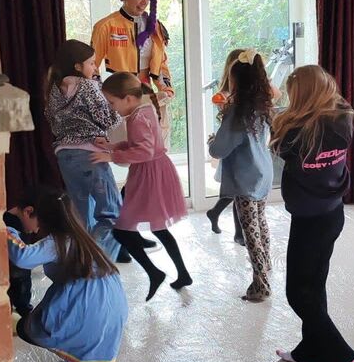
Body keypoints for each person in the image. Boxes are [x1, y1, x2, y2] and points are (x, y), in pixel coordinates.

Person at [271, 65, 354, 362]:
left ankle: (339, 355)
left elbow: (278, 144)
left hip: (309, 220)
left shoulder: (294, 133)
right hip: (332, 213)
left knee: (297, 292)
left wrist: (273, 109)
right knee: (314, 286)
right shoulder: (344, 118)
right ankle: (308, 351)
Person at [7, 187, 129, 362]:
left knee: (27, 328)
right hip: (112, 309)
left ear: (29, 211)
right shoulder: (82, 237)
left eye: (22, 217)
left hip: (87, 307)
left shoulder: (58, 241)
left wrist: (7, 228)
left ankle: (79, 352)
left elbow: (23, 257)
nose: (29, 229)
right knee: (73, 310)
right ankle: (85, 361)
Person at [95, 73, 192, 301]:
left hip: (149, 174)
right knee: (158, 227)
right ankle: (181, 274)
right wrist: (112, 146)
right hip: (154, 170)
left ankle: (155, 272)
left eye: (112, 103)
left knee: (122, 230)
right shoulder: (145, 110)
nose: (111, 108)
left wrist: (112, 156)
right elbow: (138, 144)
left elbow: (144, 150)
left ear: (128, 99)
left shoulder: (137, 118)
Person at [208, 49, 274, 301]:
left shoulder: (237, 112)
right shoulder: (261, 106)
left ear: (237, 81)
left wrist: (212, 141)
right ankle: (266, 265)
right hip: (263, 172)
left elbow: (219, 149)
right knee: (260, 222)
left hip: (246, 178)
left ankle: (261, 284)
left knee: (250, 231)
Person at [90, 0, 174, 144]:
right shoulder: (106, 26)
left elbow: (161, 63)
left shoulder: (156, 27)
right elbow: (91, 66)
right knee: (125, 144)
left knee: (154, 143)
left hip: (148, 93)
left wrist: (166, 87)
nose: (144, 2)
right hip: (121, 96)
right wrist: (102, 96)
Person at [206, 49, 246, 245]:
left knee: (236, 191)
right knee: (237, 191)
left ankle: (215, 213)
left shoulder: (248, 95)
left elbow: (276, 93)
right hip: (232, 147)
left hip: (241, 146)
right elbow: (225, 120)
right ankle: (238, 232)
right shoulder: (224, 95)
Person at [3, 191, 41, 319]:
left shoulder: (9, 219)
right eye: (38, 225)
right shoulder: (13, 230)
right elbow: (20, 272)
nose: (36, 231)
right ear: (28, 212)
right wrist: (25, 310)